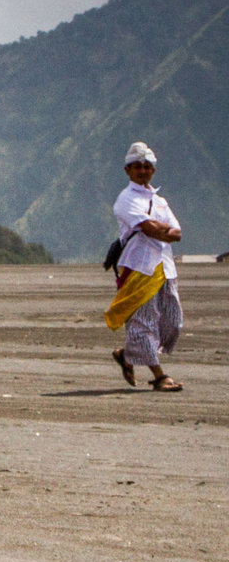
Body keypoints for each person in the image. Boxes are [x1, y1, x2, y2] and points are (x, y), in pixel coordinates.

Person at [107, 142, 184, 391]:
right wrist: (161, 229)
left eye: (147, 167)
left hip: (165, 269)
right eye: (137, 166)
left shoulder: (159, 201)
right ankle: (160, 376)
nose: (142, 171)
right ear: (127, 170)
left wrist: (160, 229)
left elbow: (177, 232)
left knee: (173, 322)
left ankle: (129, 354)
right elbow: (153, 229)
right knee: (143, 322)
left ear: (153, 170)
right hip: (139, 269)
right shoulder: (126, 199)